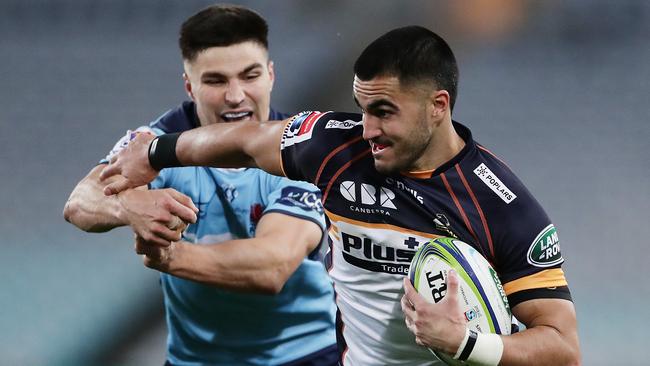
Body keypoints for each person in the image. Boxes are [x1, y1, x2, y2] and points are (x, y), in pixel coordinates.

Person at [100, 26, 582, 365]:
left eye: (384, 111)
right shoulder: (334, 145)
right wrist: (158, 153)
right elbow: (246, 141)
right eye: (362, 107)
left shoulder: (502, 205)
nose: (367, 128)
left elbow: (562, 348)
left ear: (439, 106)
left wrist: (465, 343)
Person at [63, 5, 339, 366]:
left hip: (306, 355)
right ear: (189, 86)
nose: (236, 95)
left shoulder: (301, 152)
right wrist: (127, 207)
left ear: (270, 75)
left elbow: (272, 267)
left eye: (249, 76)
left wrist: (167, 257)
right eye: (216, 81)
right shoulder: (153, 144)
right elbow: (79, 203)